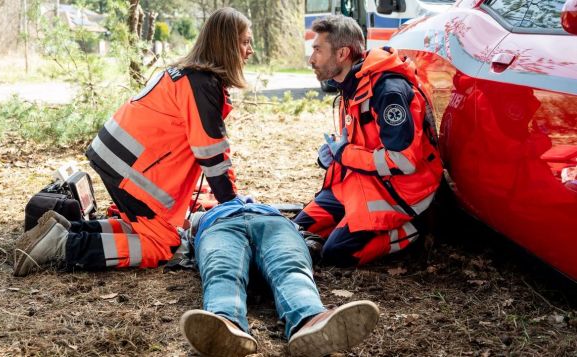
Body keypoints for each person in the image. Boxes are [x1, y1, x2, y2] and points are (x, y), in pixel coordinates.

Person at [13, 7, 255, 276]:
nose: (249, 50)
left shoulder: (190, 76)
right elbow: (211, 152)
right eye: (245, 42)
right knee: (161, 243)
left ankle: (66, 230)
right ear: (227, 45)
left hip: (116, 158)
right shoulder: (202, 85)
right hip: (128, 167)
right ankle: (62, 245)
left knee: (143, 229)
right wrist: (231, 203)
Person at [294, 15, 442, 267]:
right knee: (294, 229)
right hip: (360, 181)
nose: (311, 59)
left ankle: (411, 230)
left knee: (336, 254)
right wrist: (330, 157)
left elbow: (404, 161)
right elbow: (361, 144)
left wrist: (345, 154)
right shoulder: (351, 85)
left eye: (318, 50)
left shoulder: (387, 90)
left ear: (342, 53)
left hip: (400, 191)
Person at [179, 197, 380, 357]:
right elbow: (183, 235)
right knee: (222, 269)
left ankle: (310, 320)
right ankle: (224, 323)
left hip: (274, 223)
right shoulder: (201, 214)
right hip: (219, 226)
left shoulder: (267, 208)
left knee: (290, 266)